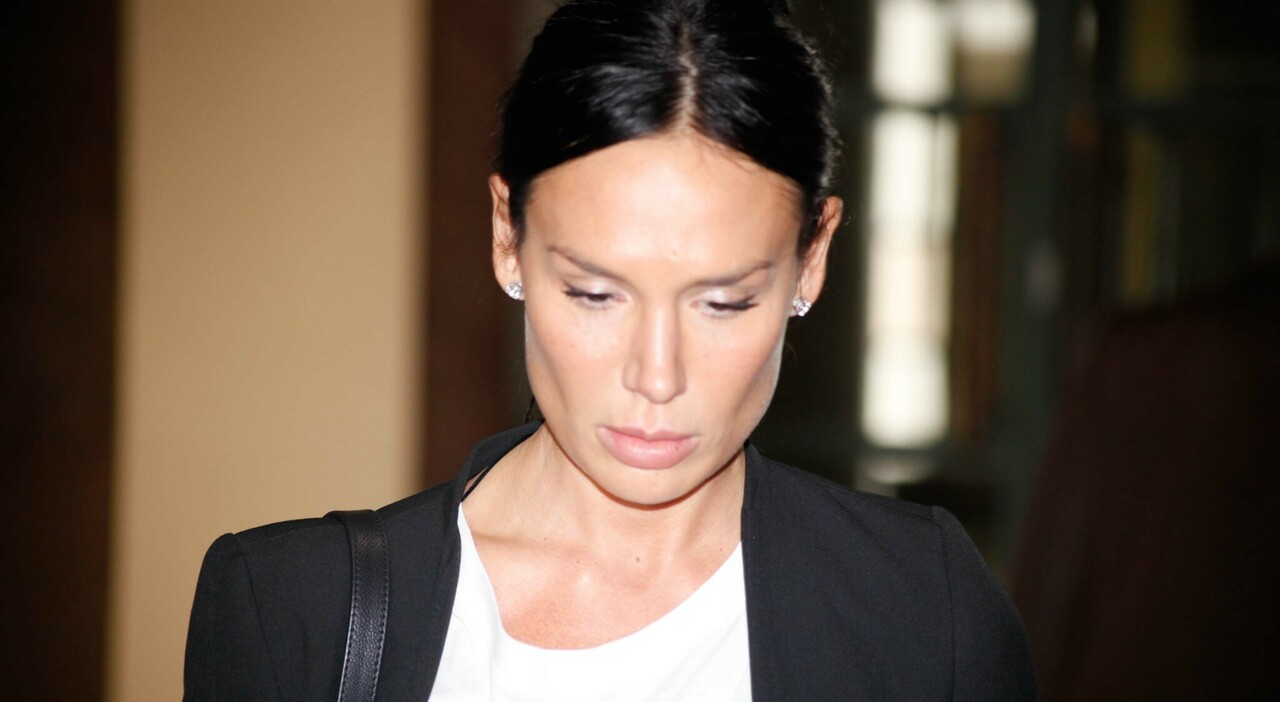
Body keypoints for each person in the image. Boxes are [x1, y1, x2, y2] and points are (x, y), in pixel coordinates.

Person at [184, 0, 1035, 699]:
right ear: (507, 238)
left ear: (812, 259)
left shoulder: (923, 610)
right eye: (595, 294)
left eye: (724, 302)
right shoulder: (290, 611)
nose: (655, 376)